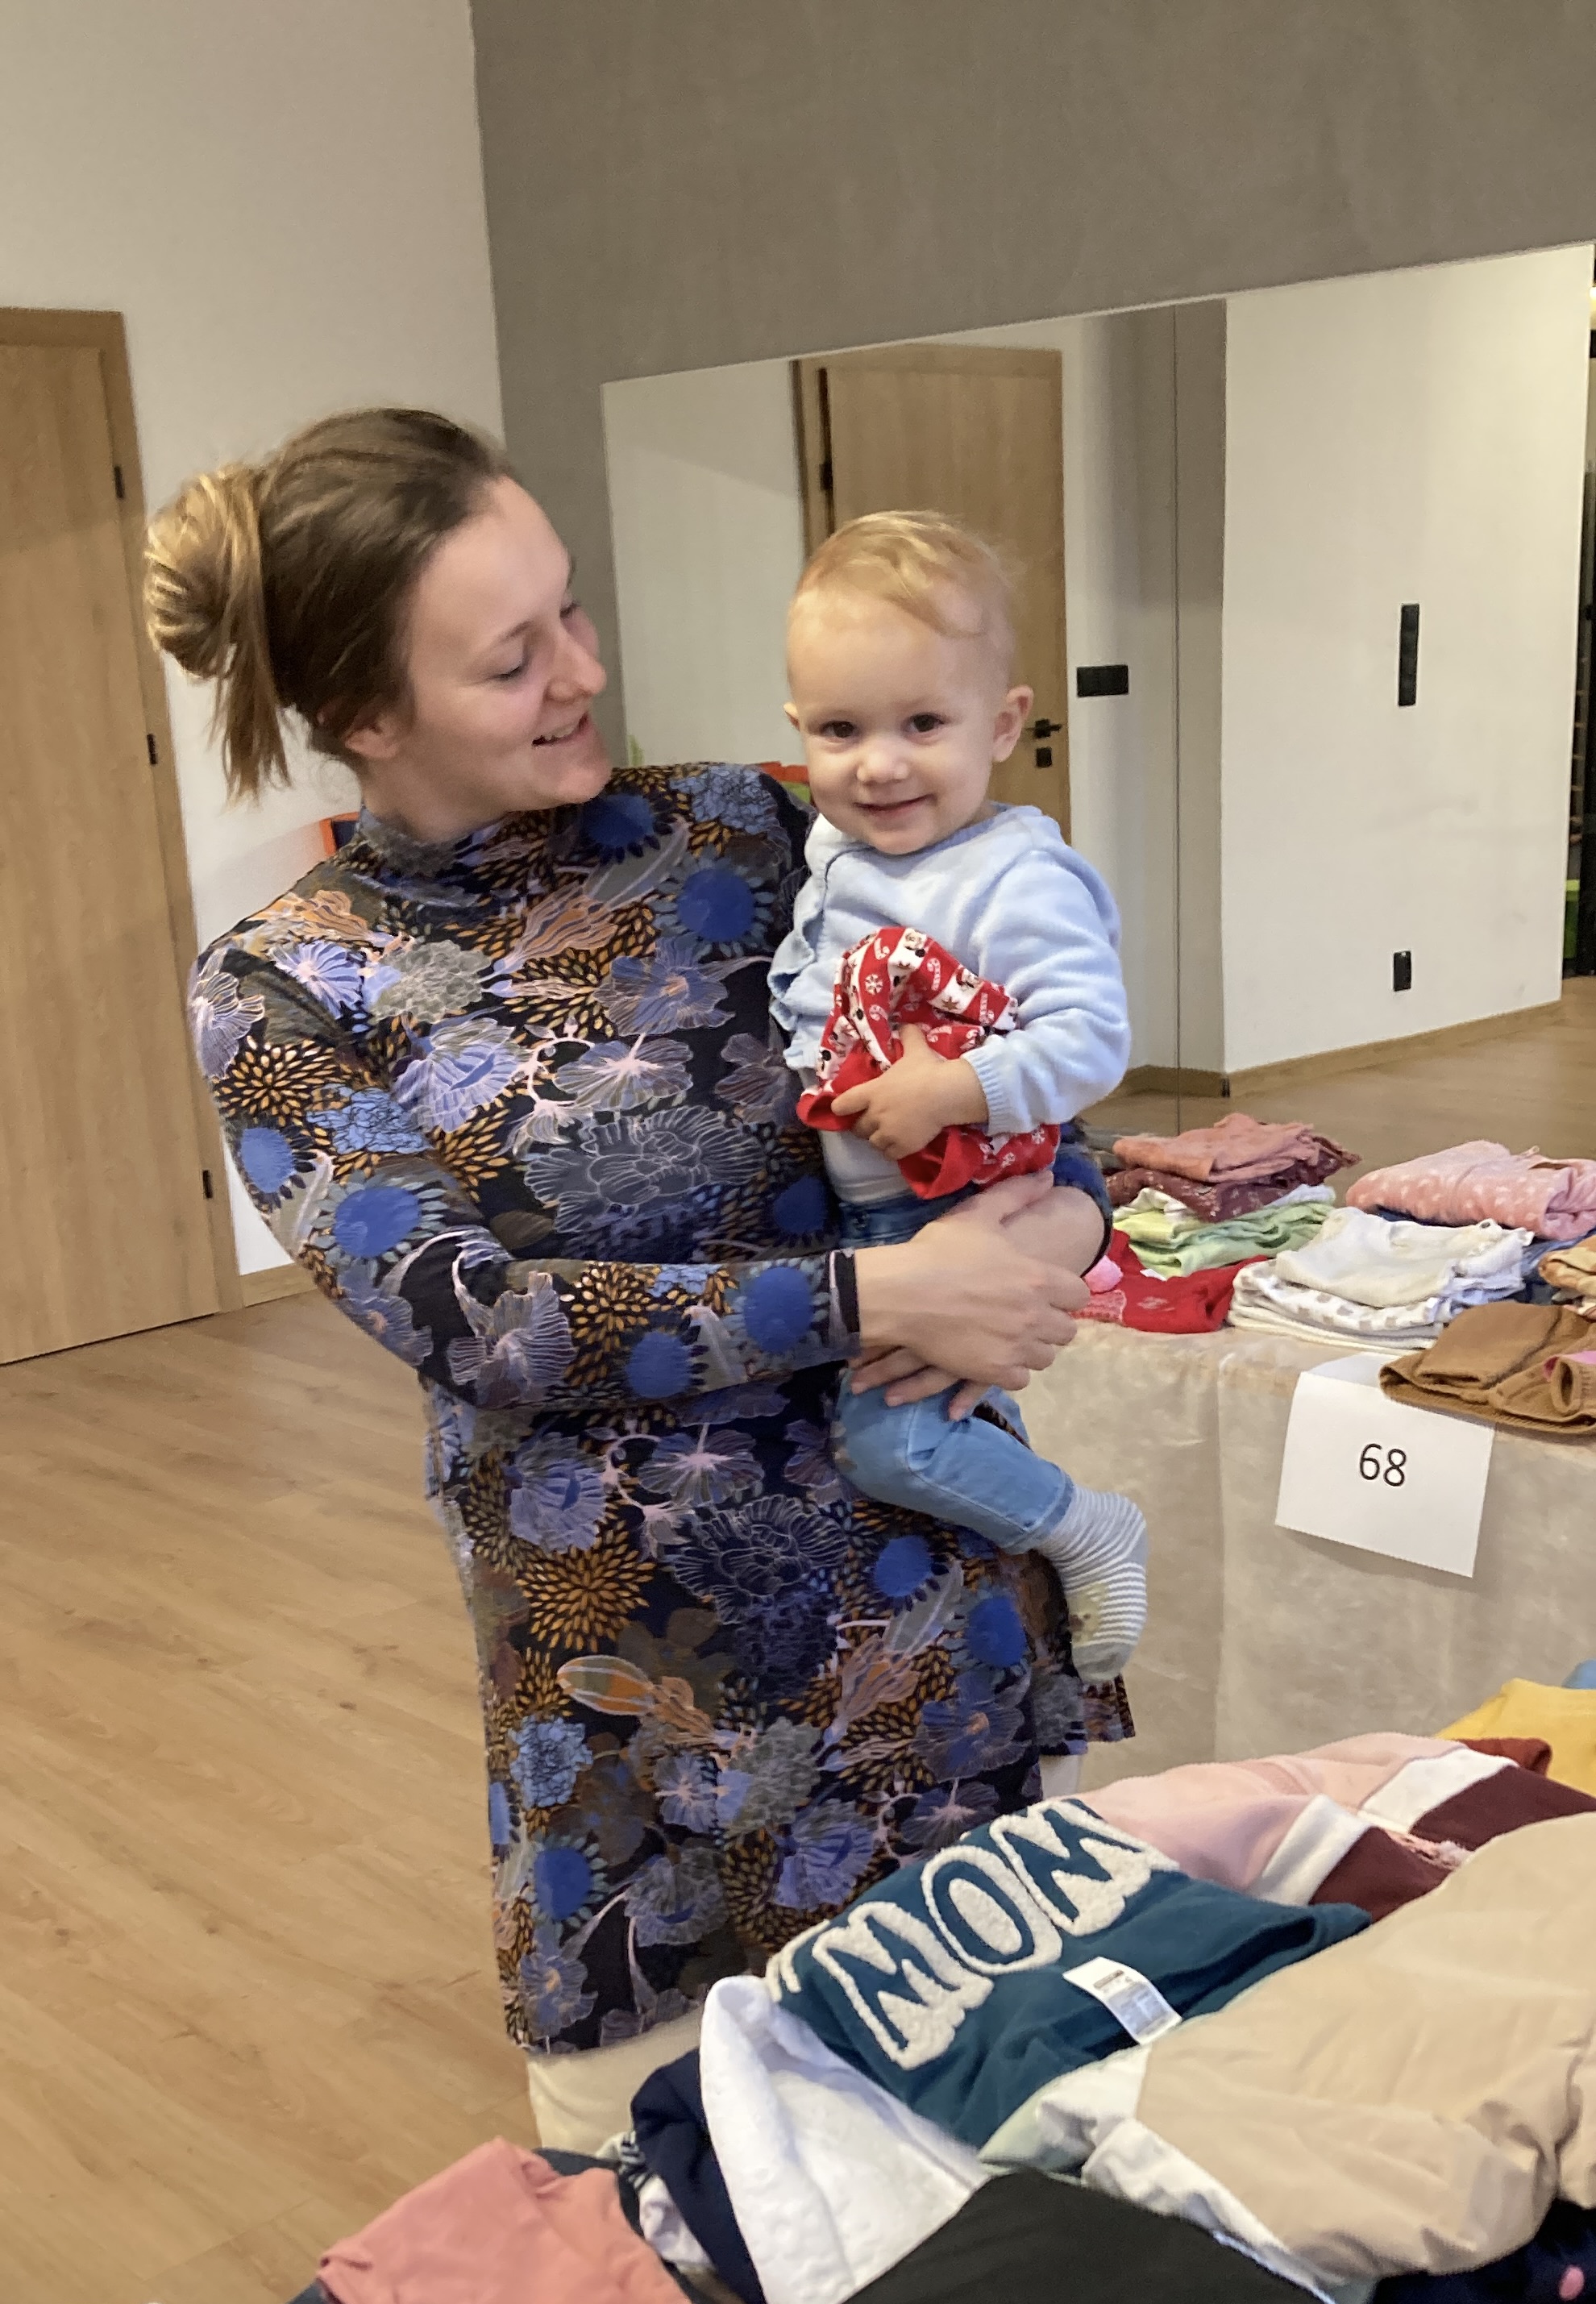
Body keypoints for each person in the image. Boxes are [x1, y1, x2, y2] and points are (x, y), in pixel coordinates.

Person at [143, 408, 1127, 2145]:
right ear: (368, 714)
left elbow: (1019, 1073)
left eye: (574, 611)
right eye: (512, 658)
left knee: (1003, 2170)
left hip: (929, 1618)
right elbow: (484, 1325)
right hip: (645, 1707)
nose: (586, 673)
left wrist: (1069, 1224)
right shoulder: (286, 988)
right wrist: (877, 1301)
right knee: (682, 2218)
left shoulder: (761, 829)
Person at [771, 512, 1147, 1681]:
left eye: (922, 724)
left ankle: (1086, 1528)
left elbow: (1094, 1039)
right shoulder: (838, 850)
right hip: (871, 1216)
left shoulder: (1012, 877)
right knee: (933, 1422)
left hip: (948, 1202)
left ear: (1004, 725)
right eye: (840, 730)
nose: (879, 764)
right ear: (798, 731)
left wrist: (954, 1087)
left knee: (894, 1448)